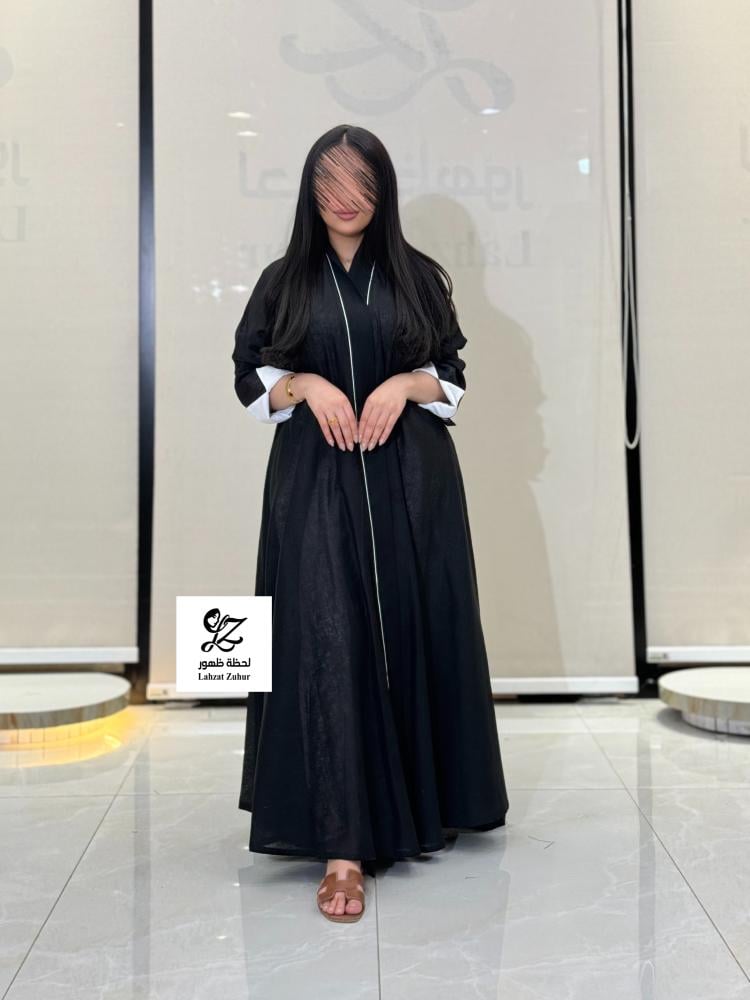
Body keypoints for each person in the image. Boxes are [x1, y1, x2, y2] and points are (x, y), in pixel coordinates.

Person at [232, 124, 509, 924]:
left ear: (383, 188)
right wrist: (306, 385)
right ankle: (342, 847)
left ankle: (422, 802)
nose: (344, 198)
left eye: (359, 180)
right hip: (314, 478)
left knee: (417, 627)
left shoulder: (419, 276)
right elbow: (249, 375)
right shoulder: (283, 281)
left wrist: (404, 385)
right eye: (328, 182)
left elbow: (451, 373)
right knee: (324, 637)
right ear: (308, 191)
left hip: (413, 480)